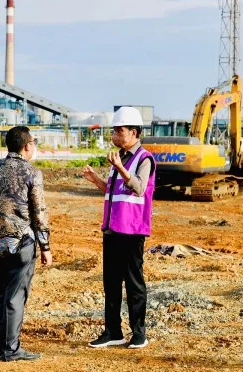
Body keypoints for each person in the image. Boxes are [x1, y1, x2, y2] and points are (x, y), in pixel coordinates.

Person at [82, 107, 156, 349]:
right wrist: (95, 180)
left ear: (133, 132)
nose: (114, 134)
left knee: (134, 283)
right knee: (111, 283)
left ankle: (139, 333)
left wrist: (121, 168)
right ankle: (113, 332)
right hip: (113, 229)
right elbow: (114, 191)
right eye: (114, 130)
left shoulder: (144, 159)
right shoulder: (119, 158)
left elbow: (139, 188)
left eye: (119, 130)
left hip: (132, 231)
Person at [0, 126, 53, 362]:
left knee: (2, 295)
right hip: (22, 242)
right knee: (16, 297)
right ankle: (11, 349)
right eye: (34, 142)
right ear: (26, 145)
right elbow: (39, 212)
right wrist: (45, 247)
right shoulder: (31, 173)